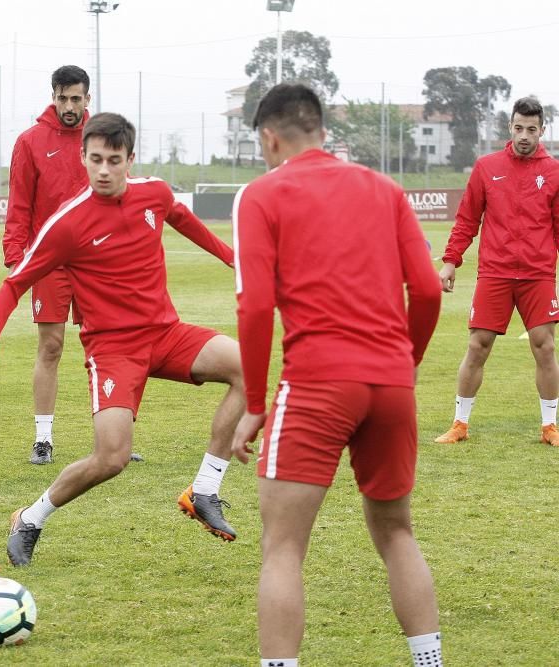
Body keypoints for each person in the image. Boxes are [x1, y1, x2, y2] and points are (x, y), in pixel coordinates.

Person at [0, 112, 246, 567]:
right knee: (111, 458)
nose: (102, 170)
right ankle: (30, 518)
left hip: (167, 333)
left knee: (246, 366)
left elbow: (182, 219)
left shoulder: (153, 193)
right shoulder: (68, 224)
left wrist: (233, 259)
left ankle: (205, 489)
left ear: (129, 160)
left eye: (113, 160)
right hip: (113, 351)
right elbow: (12, 285)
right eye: (94, 159)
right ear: (83, 157)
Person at [230, 84, 443, 667]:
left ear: (270, 139)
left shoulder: (261, 195)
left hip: (319, 383)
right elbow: (425, 289)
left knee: (283, 547)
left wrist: (253, 401)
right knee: (397, 531)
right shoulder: (386, 189)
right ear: (323, 131)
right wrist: (408, 362)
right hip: (391, 382)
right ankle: (430, 662)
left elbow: (253, 308)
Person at [434, 96, 559, 447]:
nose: (524, 135)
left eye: (531, 129)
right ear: (510, 127)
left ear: (541, 131)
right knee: (478, 345)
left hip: (538, 273)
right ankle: (460, 423)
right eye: (518, 127)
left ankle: (550, 427)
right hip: (496, 272)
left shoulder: (553, 171)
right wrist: (450, 261)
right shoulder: (487, 166)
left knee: (544, 346)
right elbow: (467, 218)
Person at [4, 65, 92, 465]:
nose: (69, 106)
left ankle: (114, 434)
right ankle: (43, 438)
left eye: (76, 98)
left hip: (99, 261)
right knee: (51, 346)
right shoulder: (30, 141)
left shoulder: (103, 137)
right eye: (62, 98)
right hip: (51, 261)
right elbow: (19, 204)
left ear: (87, 98)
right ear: (53, 96)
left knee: (106, 349)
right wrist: (15, 256)